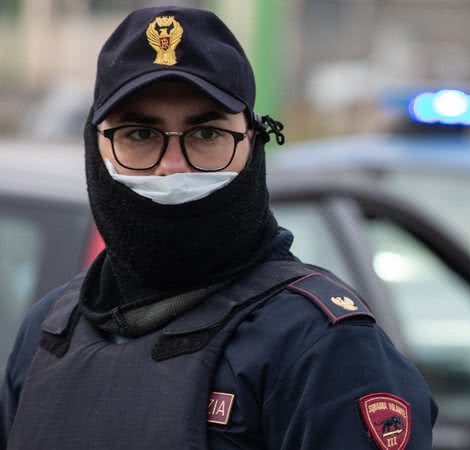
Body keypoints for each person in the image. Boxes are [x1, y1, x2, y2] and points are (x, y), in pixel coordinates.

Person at [0, 6, 436, 450]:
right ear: (96, 149)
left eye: (206, 135)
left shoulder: (320, 347)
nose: (172, 167)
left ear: (254, 144)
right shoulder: (48, 332)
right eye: (139, 135)